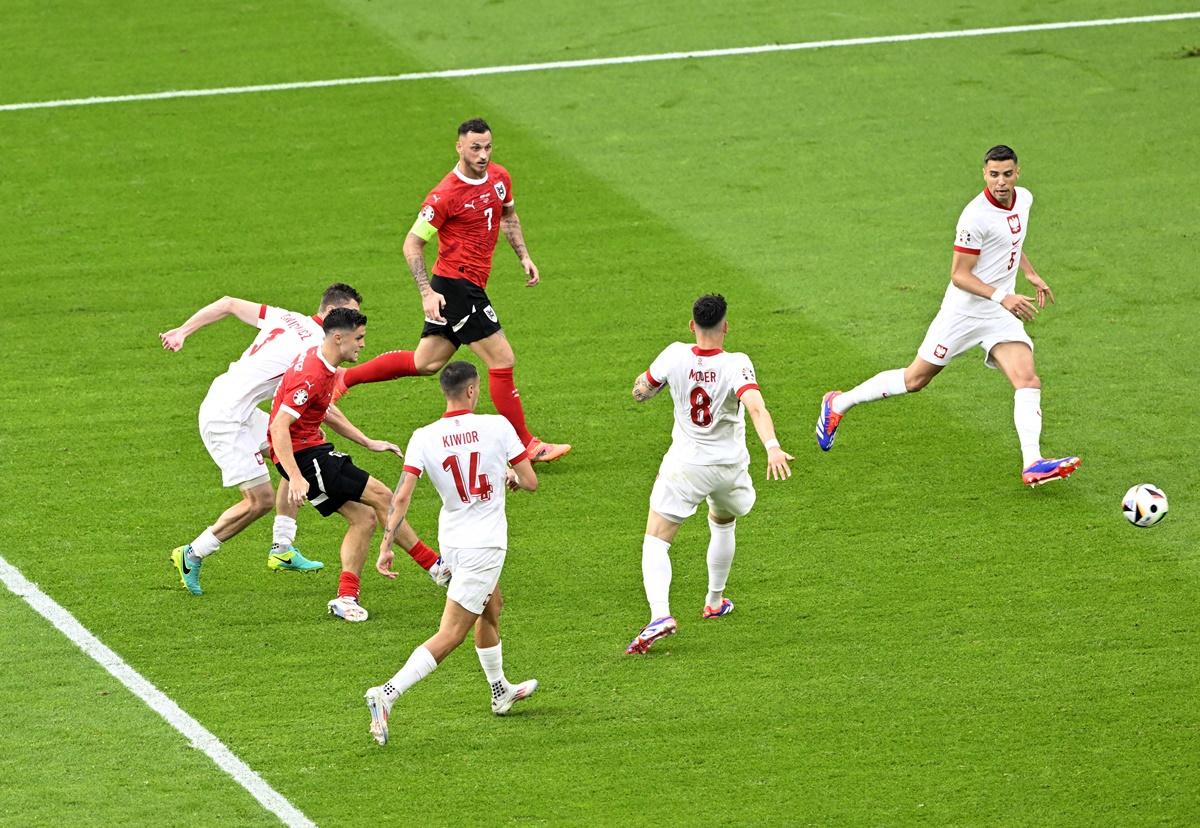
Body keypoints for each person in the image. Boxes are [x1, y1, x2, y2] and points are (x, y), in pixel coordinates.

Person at [815, 145, 1080, 487]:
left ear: (1018, 173)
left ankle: (1033, 463)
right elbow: (960, 275)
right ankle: (839, 402)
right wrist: (1004, 296)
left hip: (999, 313)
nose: (1001, 182)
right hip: (964, 312)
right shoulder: (974, 217)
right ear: (984, 174)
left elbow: (1012, 241)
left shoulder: (1024, 199)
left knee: (1027, 379)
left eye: (1007, 174)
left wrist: (1029, 273)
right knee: (916, 380)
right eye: (994, 174)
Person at [334, 117, 570, 464]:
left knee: (426, 362)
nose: (483, 154)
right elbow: (412, 245)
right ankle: (526, 446)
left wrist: (524, 256)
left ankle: (343, 377)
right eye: (475, 147)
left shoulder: (500, 179)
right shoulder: (444, 195)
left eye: (488, 147)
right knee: (502, 360)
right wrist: (427, 293)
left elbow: (508, 217)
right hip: (456, 286)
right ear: (459, 146)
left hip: (466, 284)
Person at [364, 361, 539, 744]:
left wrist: (386, 544)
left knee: (492, 607)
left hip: (453, 542)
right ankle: (386, 694)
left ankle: (500, 691)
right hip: (485, 545)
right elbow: (530, 481)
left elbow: (403, 495)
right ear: (473, 391)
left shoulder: (425, 436)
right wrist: (509, 476)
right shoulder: (497, 426)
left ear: (445, 392)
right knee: (451, 633)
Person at [625, 295, 793, 655]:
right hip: (729, 467)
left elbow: (640, 392)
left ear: (692, 326)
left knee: (656, 540)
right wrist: (773, 446)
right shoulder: (737, 363)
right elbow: (756, 406)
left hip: (686, 466)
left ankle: (660, 616)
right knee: (723, 520)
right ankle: (714, 601)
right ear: (725, 327)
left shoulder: (674, 355)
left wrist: (646, 385)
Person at [162, 284, 357, 592]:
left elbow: (227, 303)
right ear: (333, 316)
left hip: (234, 403)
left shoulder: (287, 317)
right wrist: (367, 440)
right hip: (224, 417)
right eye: (352, 319)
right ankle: (192, 553)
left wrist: (183, 332)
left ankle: (282, 548)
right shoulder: (315, 349)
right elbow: (327, 410)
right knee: (260, 500)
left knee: (295, 450)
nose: (356, 328)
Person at [267, 308, 444, 622]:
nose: (362, 345)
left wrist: (367, 441)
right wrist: (294, 477)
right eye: (358, 338)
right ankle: (437, 568)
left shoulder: (322, 362)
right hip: (306, 458)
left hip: (309, 451)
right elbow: (280, 426)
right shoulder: (312, 372)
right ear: (338, 337)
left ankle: (346, 598)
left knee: (363, 518)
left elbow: (327, 411)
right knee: (383, 496)